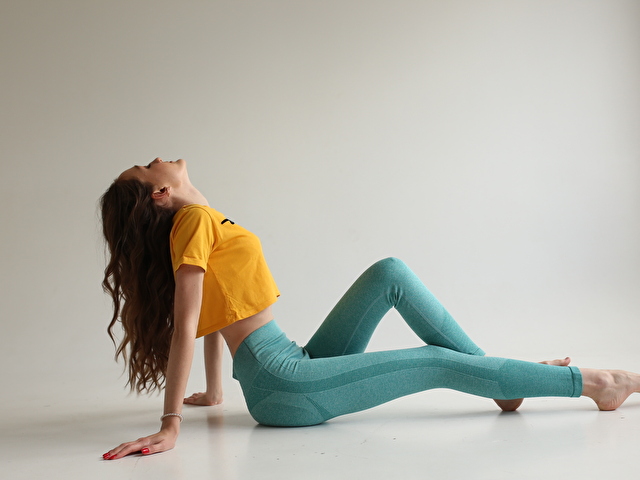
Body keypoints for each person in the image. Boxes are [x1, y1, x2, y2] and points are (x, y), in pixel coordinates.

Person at [100, 158, 640, 461]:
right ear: (159, 192)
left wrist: (216, 391)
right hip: (282, 383)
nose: (156, 158)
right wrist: (170, 424)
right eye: (145, 167)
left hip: (289, 362)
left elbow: (214, 309)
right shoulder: (193, 223)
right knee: (435, 361)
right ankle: (599, 383)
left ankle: (498, 381)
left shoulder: (201, 220)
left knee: (390, 274)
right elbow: (187, 323)